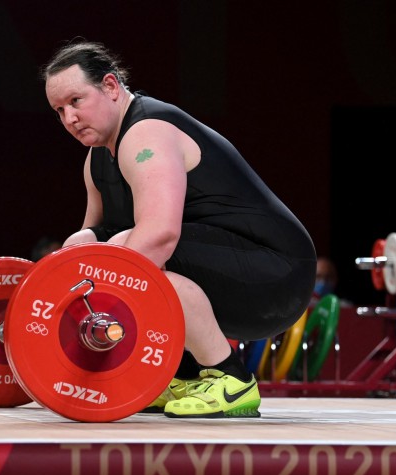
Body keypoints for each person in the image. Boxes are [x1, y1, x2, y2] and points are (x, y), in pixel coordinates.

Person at [42, 40, 316, 418]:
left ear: (109, 87)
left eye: (76, 101)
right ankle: (186, 378)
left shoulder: (146, 132)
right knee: (87, 248)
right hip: (223, 271)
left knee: (135, 248)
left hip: (276, 272)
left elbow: (159, 237)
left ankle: (230, 378)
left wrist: (104, 307)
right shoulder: (94, 162)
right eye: (59, 110)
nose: (69, 118)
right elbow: (94, 243)